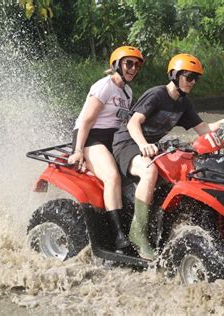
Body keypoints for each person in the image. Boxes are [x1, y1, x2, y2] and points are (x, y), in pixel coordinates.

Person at [113, 53, 224, 260]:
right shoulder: (157, 95)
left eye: (196, 78)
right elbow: (133, 123)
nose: (193, 82)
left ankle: (163, 225)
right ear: (175, 75)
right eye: (189, 77)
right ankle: (138, 233)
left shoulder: (183, 103)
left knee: (185, 170)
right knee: (150, 171)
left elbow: (203, 129)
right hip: (128, 143)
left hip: (151, 147)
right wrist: (143, 145)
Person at [68, 46, 144, 251]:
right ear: (117, 65)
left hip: (113, 139)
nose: (133, 68)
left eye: (137, 65)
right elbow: (86, 121)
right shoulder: (104, 86)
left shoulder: (127, 91)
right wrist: (78, 150)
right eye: (129, 63)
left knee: (136, 171)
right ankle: (118, 235)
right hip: (91, 137)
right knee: (112, 176)